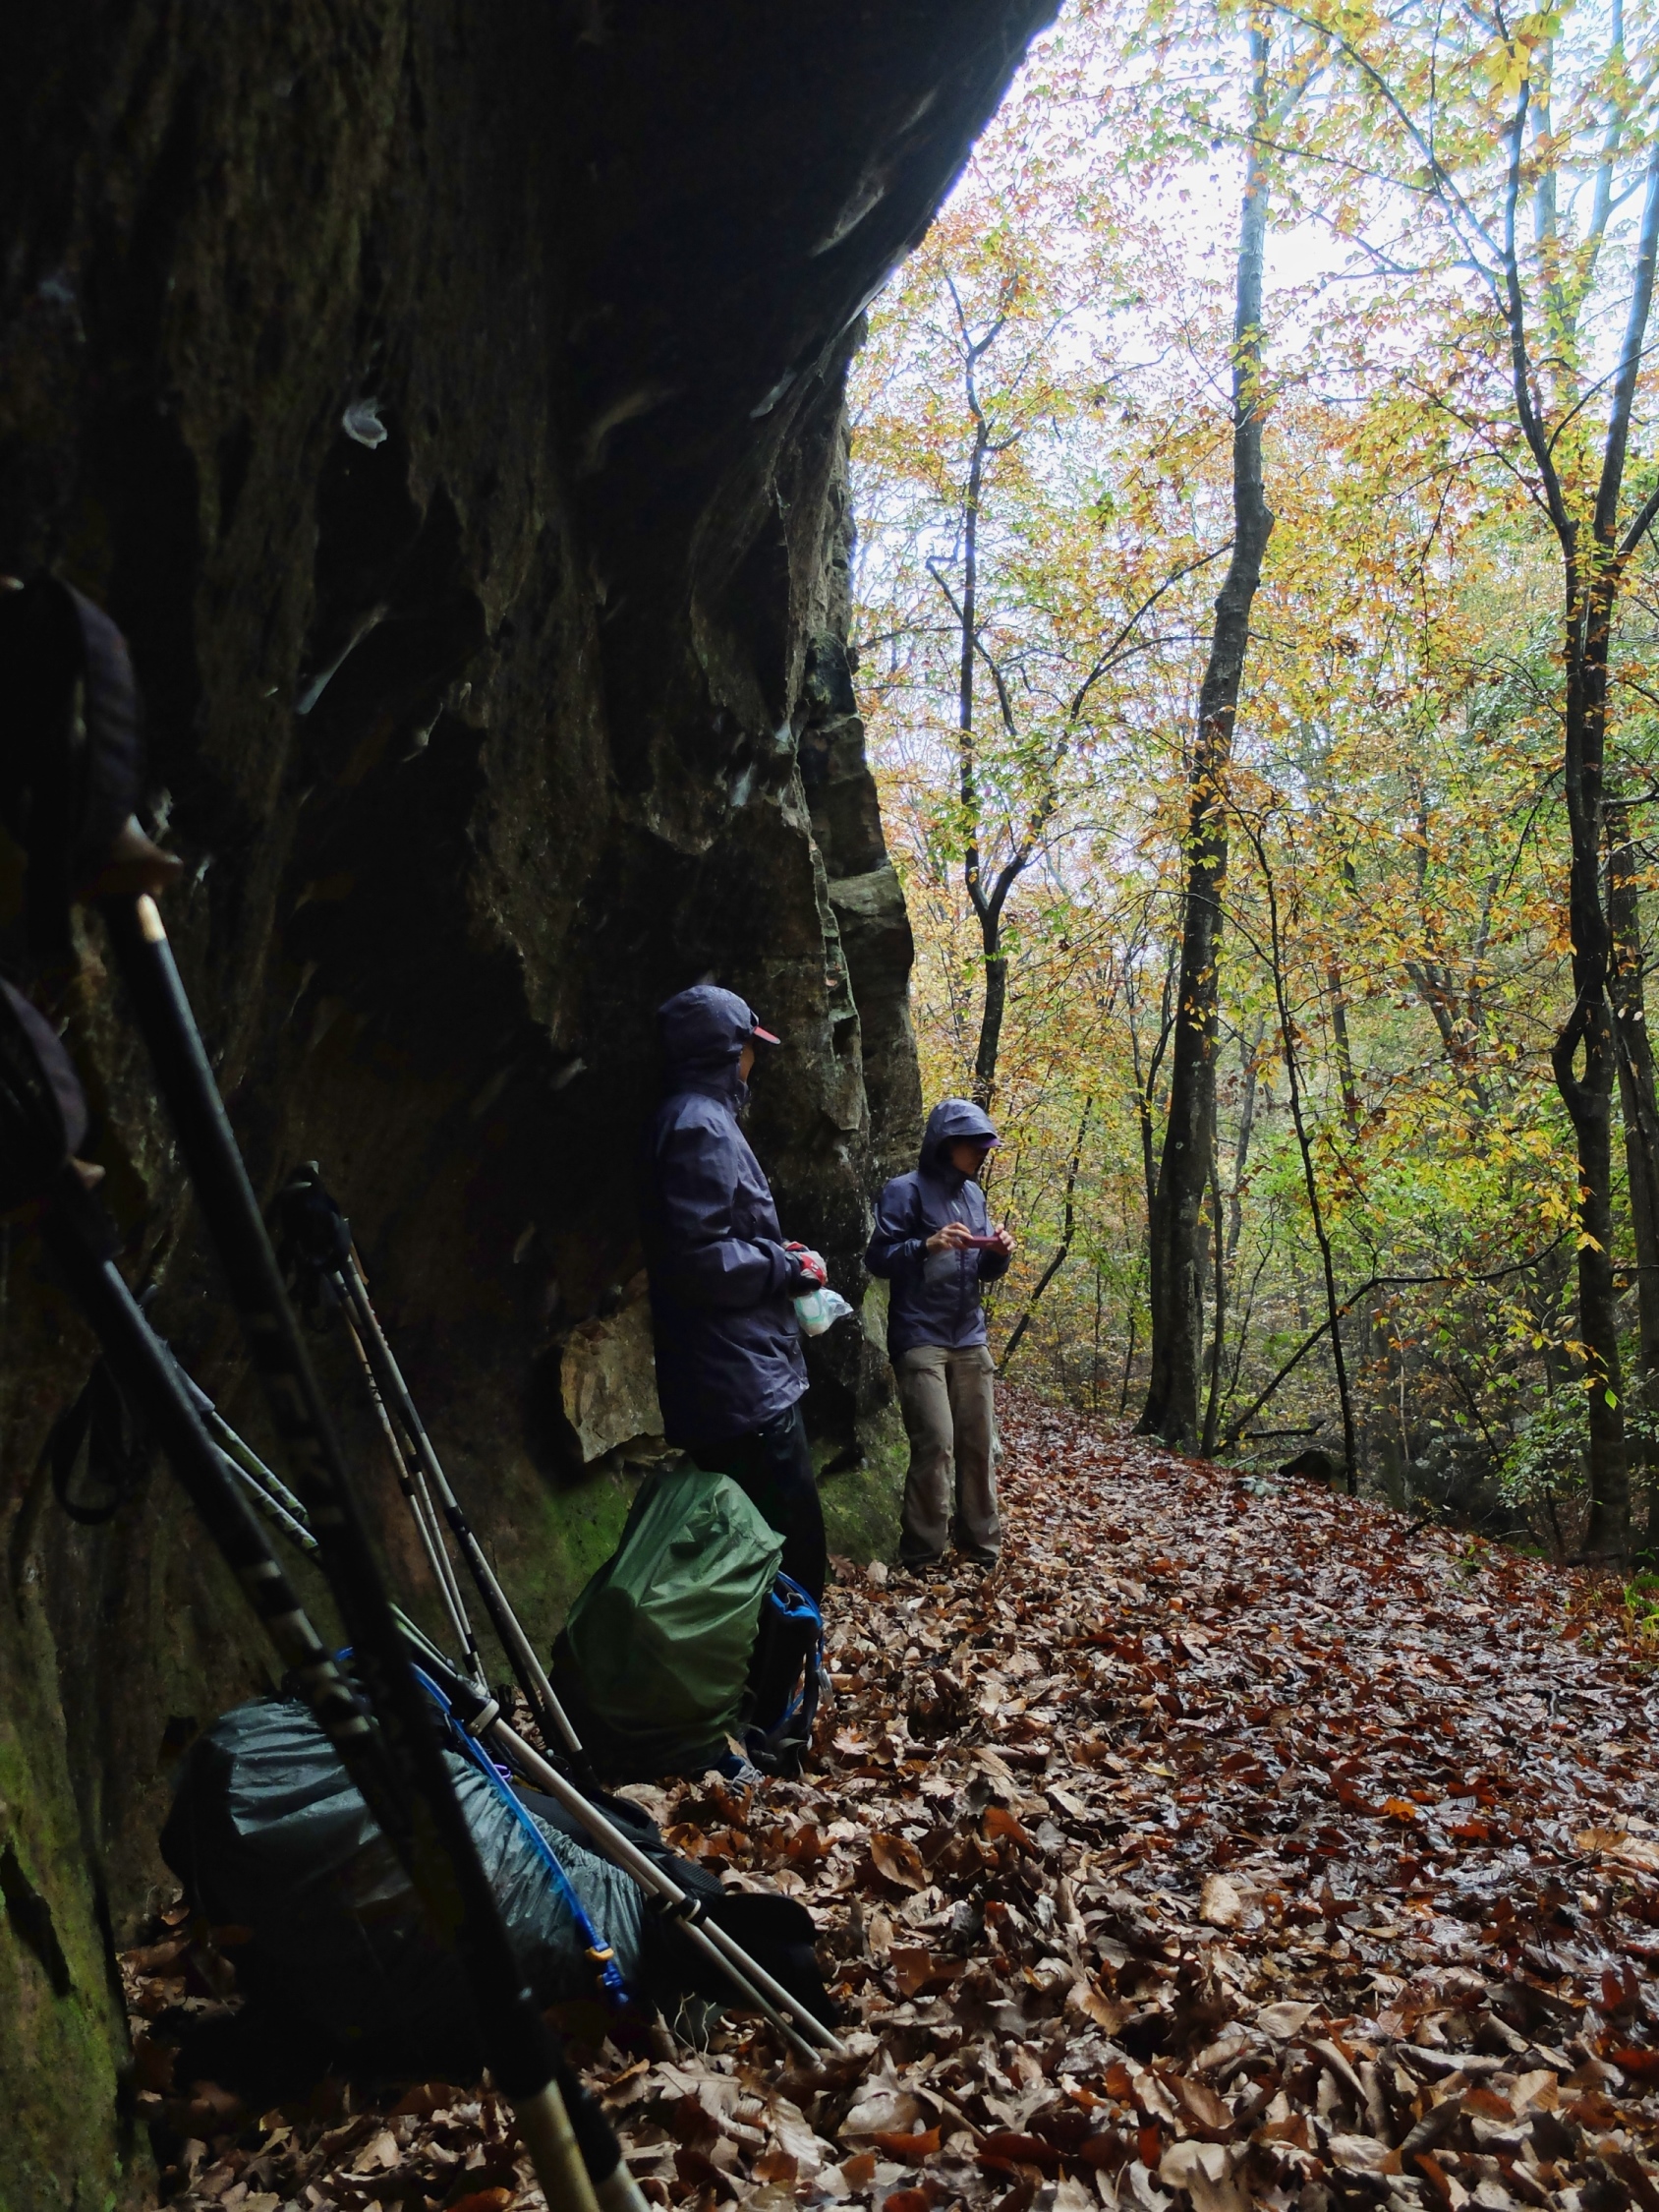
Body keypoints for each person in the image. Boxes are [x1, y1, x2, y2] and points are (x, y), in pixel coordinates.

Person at [638, 983, 828, 1604]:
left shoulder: (690, 1116)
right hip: (742, 1387)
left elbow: (712, 1238)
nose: (755, 1058)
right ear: (726, 1051)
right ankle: (780, 1666)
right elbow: (697, 1259)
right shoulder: (700, 1123)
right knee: (789, 1564)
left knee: (753, 1561)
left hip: (729, 1377)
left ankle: (768, 1664)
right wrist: (786, 1267)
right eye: (750, 1046)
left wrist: (776, 1253)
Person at [865, 1099, 1014, 1572]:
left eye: (986, 1146)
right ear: (947, 1144)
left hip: (969, 1334)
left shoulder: (974, 1196)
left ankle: (982, 1549)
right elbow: (877, 1258)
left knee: (978, 1443)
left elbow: (982, 1270)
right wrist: (924, 1245)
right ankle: (923, 1556)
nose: (982, 1153)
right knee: (936, 1442)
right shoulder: (903, 1190)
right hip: (919, 1334)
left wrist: (999, 1253)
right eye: (975, 1145)